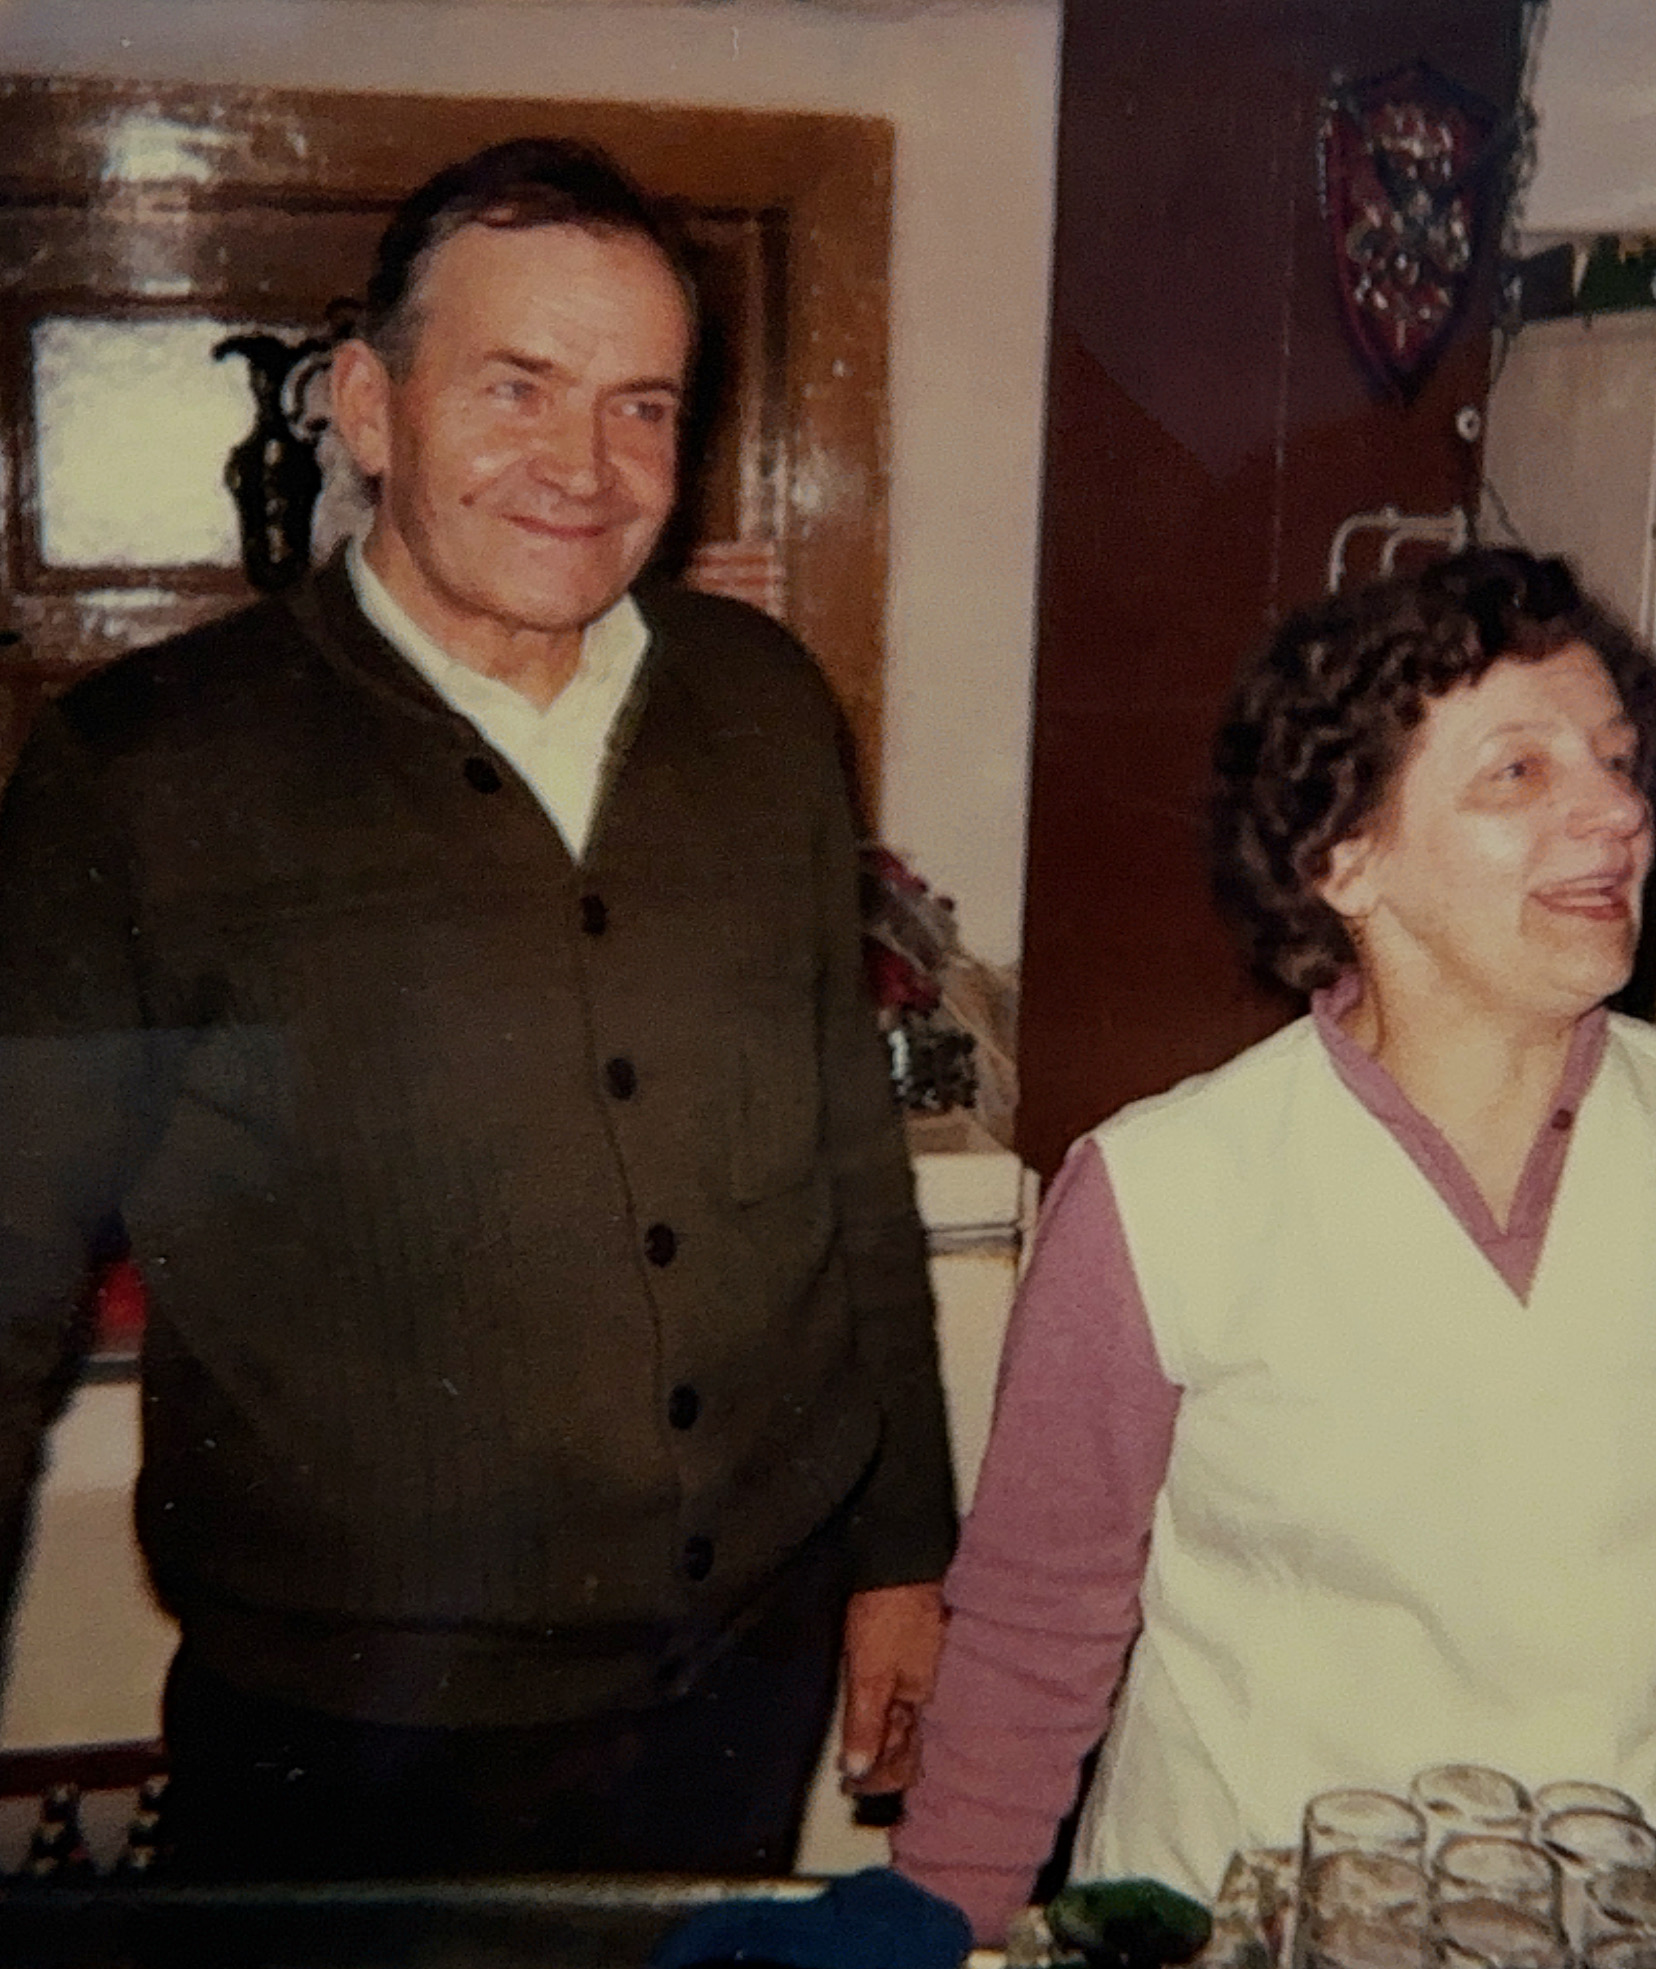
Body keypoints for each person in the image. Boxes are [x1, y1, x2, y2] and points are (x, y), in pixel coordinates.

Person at [0, 137, 956, 1882]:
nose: (583, 467)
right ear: (368, 408)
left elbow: (846, 1160)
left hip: (741, 1676)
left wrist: (904, 1550)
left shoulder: (761, 707)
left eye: (640, 405)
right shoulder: (141, 772)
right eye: (516, 387)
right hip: (354, 1729)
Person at [885, 548, 1656, 1941]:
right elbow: (1032, 1643)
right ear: (1345, 859)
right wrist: (935, 1930)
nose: (1615, 812)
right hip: (1274, 1931)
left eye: (1617, 762)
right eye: (1518, 771)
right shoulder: (1164, 1193)